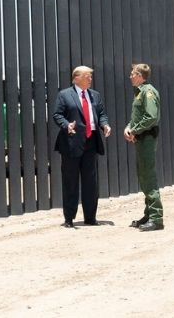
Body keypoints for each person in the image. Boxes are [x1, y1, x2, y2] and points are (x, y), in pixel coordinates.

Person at [53, 65, 111, 228]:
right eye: (88, 76)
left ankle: (90, 217)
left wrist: (105, 125)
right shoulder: (64, 95)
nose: (91, 79)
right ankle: (69, 218)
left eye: (91, 76)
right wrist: (66, 125)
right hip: (71, 142)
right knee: (70, 181)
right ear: (77, 78)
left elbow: (101, 114)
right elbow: (57, 114)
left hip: (91, 141)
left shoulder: (95, 95)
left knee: (90, 182)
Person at [124, 63, 163, 231]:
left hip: (146, 138)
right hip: (141, 138)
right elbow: (139, 116)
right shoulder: (140, 92)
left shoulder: (147, 92)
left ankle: (156, 219)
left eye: (133, 73)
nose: (130, 76)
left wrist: (134, 129)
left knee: (148, 176)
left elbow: (151, 117)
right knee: (143, 176)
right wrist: (129, 127)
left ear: (140, 75)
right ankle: (148, 215)